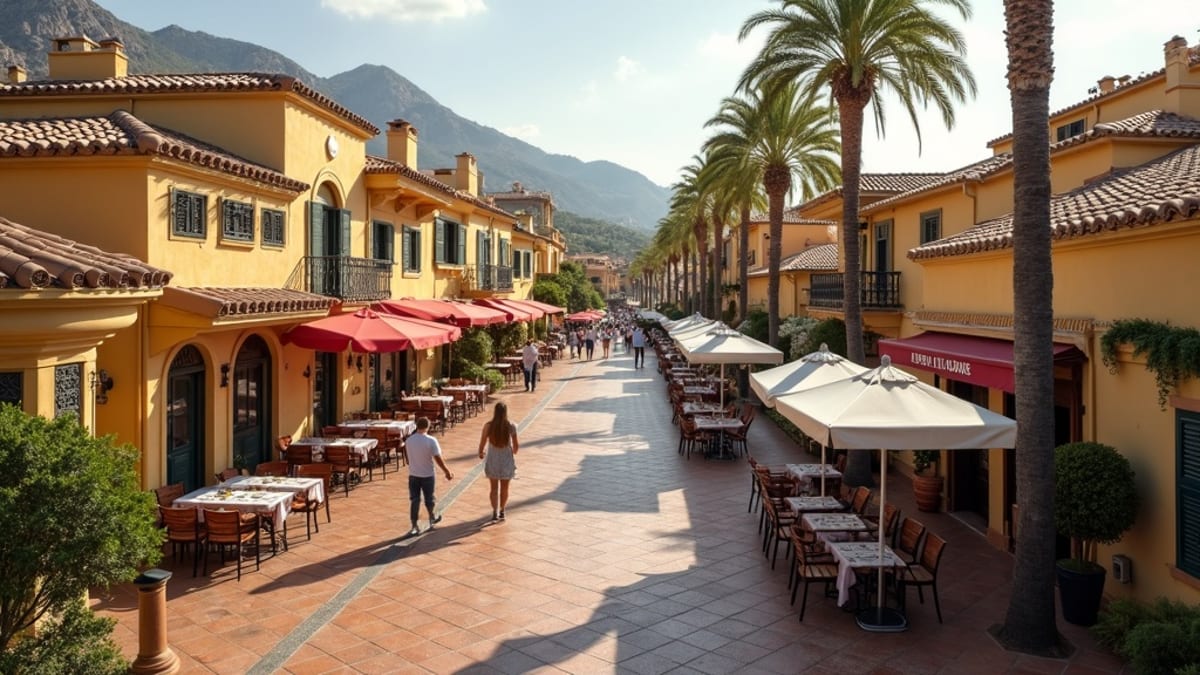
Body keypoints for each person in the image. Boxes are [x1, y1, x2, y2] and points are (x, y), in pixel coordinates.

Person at [405, 416, 453, 536]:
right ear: (428, 426)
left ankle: (414, 525)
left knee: (415, 500)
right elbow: (438, 458)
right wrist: (447, 471)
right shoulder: (431, 440)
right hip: (427, 474)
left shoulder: (409, 441)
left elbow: (408, 458)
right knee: (429, 498)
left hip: (413, 474)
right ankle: (432, 517)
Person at [478, 401, 518, 521]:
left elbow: (483, 441)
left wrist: (481, 452)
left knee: (493, 488)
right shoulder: (511, 426)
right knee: (505, 488)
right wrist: (513, 452)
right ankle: (502, 510)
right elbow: (516, 445)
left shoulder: (488, 426)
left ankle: (494, 511)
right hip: (506, 459)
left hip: (493, 459)